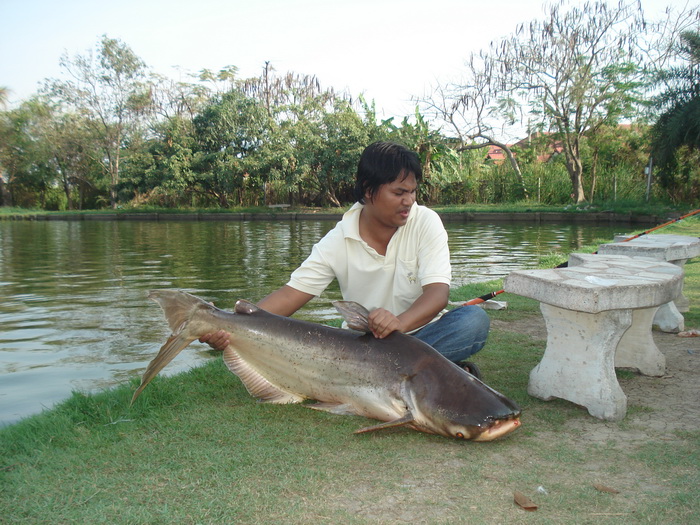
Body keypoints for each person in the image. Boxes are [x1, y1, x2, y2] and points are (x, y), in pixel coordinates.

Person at [200, 141, 490, 376]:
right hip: (365, 346)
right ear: (368, 191)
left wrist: (399, 323)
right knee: (322, 343)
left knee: (472, 321)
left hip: (423, 335)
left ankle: (392, 374)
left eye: (413, 192)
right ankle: (435, 373)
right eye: (399, 192)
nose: (409, 201)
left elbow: (438, 294)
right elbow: (290, 295)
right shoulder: (338, 239)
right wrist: (229, 326)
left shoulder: (425, 221)